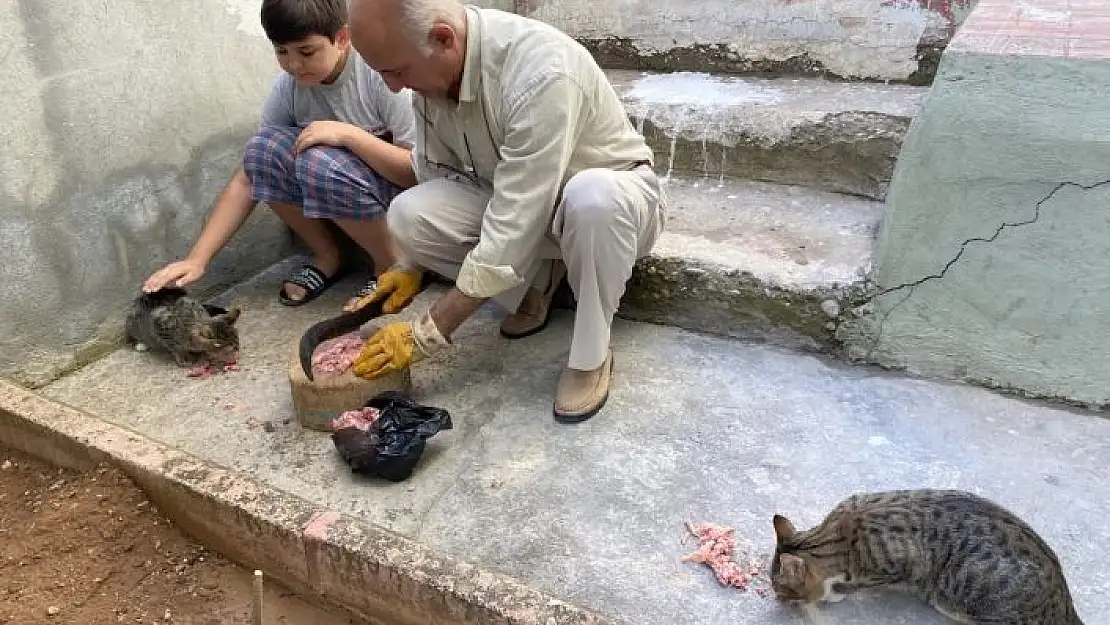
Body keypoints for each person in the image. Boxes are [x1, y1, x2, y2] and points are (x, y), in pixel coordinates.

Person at [344, 0, 666, 422]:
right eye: (382, 72)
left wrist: (428, 332)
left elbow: (513, 224)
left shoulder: (540, 72)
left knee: (592, 198)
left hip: (614, 205)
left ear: (444, 38)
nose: (392, 88)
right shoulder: (433, 70)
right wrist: (412, 264)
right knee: (409, 215)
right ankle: (538, 284)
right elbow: (441, 176)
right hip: (524, 206)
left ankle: (591, 355)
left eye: (397, 72)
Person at [143, 0, 422, 313]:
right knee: (262, 150)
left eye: (306, 52)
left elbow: (415, 171)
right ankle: (328, 256)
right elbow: (250, 176)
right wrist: (198, 259)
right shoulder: (289, 88)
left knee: (319, 160)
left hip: (401, 200)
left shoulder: (376, 74)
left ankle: (391, 265)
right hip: (346, 192)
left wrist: (349, 135)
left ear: (342, 38)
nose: (294, 65)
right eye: (281, 52)